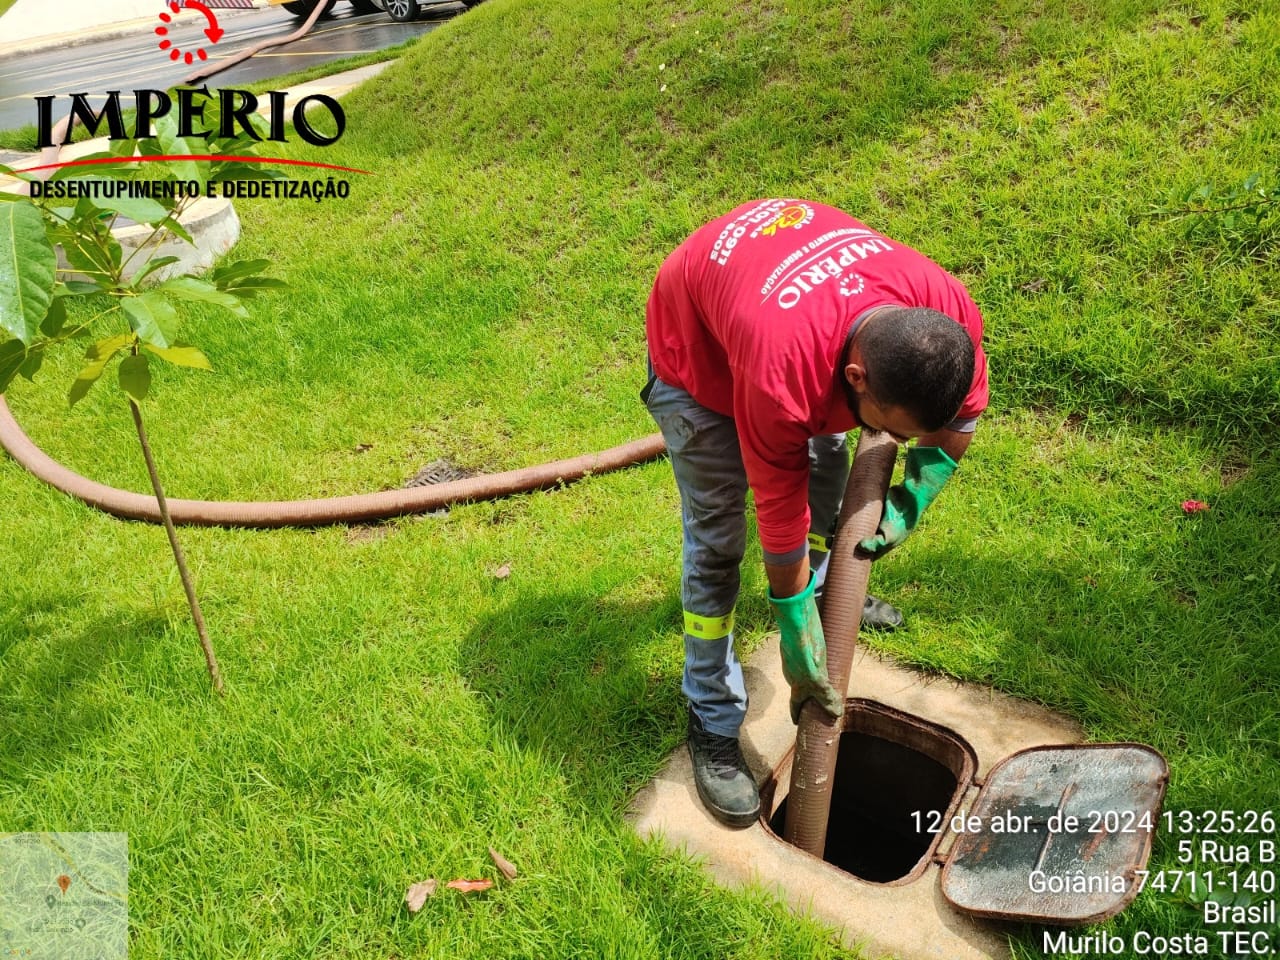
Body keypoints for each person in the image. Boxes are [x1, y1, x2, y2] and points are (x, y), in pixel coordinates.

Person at [642, 198, 988, 827]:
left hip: (788, 317)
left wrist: (919, 490)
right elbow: (779, 522)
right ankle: (712, 719)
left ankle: (834, 594)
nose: (899, 448)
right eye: (892, 432)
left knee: (829, 466)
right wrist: (795, 630)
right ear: (855, 378)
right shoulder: (783, 373)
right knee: (718, 540)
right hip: (700, 357)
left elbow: (964, 413)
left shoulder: (945, 314)